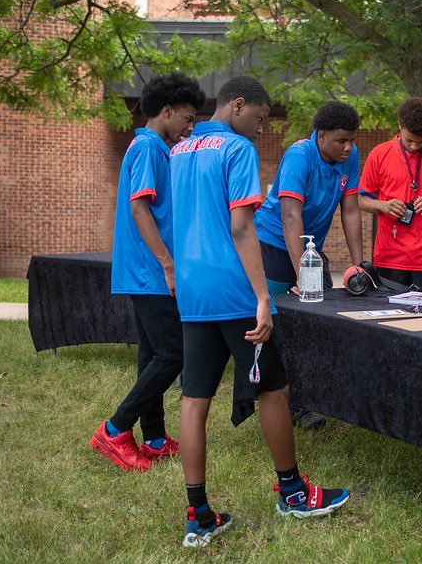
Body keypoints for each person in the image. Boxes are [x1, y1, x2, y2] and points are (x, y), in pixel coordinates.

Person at [169, 76, 349, 548]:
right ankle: (293, 493)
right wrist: (262, 298)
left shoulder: (179, 149)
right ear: (238, 105)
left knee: (194, 399)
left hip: (192, 291)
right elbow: (241, 227)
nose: (261, 128)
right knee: (274, 390)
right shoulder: (237, 149)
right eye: (260, 118)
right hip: (234, 291)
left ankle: (198, 515)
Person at [92, 72, 205, 472]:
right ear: (166, 111)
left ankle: (154, 438)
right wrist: (168, 265)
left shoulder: (153, 147)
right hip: (150, 271)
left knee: (153, 354)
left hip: (147, 271)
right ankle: (114, 429)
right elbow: (140, 208)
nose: (190, 128)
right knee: (173, 354)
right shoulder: (148, 148)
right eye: (188, 119)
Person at [255, 100, 363, 429]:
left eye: (352, 140)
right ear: (321, 135)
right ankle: (281, 399)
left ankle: (309, 398)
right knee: (279, 324)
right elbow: (290, 216)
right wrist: (302, 274)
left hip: (311, 247)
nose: (348, 147)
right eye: (341, 140)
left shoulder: (350, 157)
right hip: (274, 242)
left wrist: (360, 266)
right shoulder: (299, 156)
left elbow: (351, 210)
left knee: (320, 317)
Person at [358, 97, 422, 292]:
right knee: (387, 311)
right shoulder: (379, 154)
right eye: (409, 140)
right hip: (389, 256)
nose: (414, 146)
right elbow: (361, 200)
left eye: (420, 142)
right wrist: (383, 205)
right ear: (400, 125)